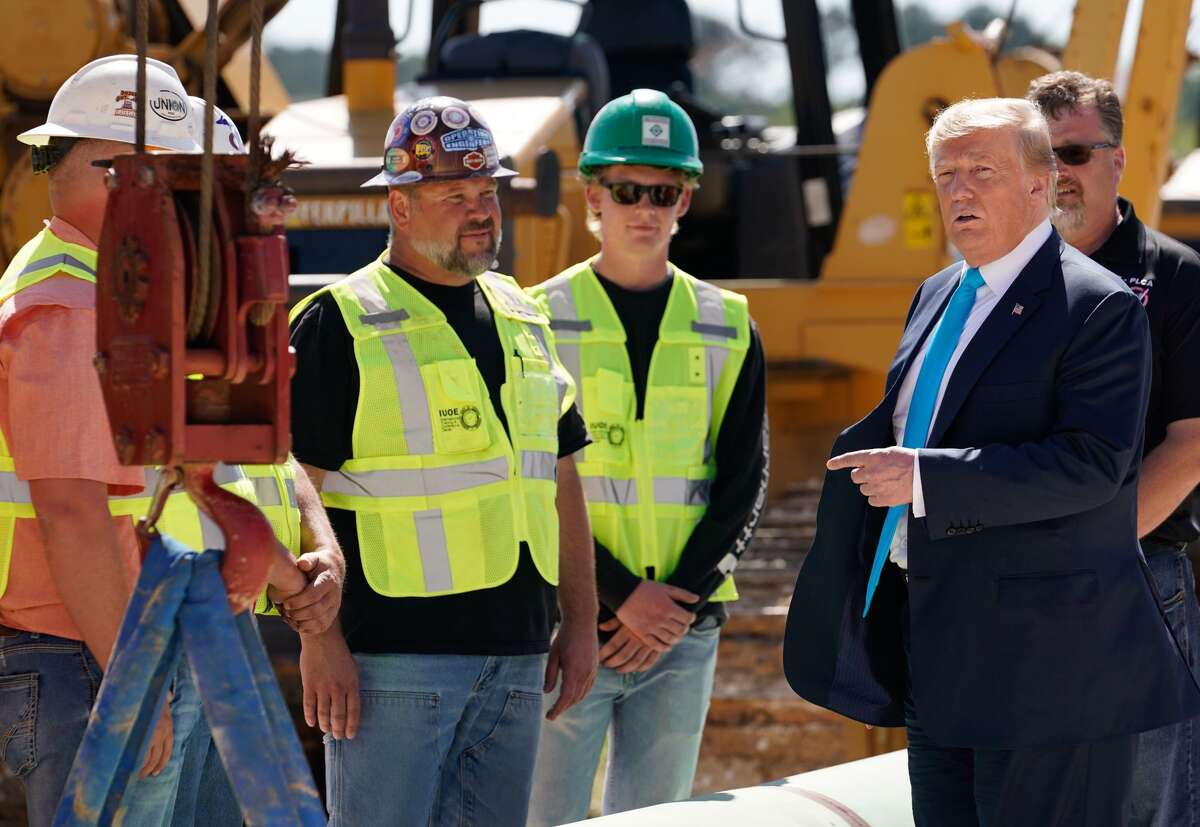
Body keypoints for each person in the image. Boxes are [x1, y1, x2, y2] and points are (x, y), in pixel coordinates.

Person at [781, 97, 1200, 825]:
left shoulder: (1098, 306)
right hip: (941, 660)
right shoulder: (936, 295)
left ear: (1040, 186)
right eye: (947, 175)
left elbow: (1093, 462)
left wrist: (925, 478)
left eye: (982, 170)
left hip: (1047, 675)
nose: (960, 191)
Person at [0, 56, 310, 825]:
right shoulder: (74, 311)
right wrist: (128, 684)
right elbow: (73, 512)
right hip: (85, 651)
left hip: (99, 642)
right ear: (120, 177)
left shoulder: (87, 289)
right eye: (175, 182)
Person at [288, 95, 599, 827]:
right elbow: (292, 484)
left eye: (487, 190)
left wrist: (580, 619)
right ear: (399, 206)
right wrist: (318, 639)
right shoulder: (342, 320)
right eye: (454, 195)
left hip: (518, 656)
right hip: (394, 663)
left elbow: (559, 475)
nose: (481, 209)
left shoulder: (522, 313)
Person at [525, 89, 768, 823]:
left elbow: (745, 479)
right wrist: (619, 597)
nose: (645, 207)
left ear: (686, 198)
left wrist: (670, 604)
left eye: (662, 191)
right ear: (592, 193)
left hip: (680, 633)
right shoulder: (534, 317)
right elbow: (530, 479)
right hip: (571, 626)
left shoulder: (729, 323)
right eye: (627, 189)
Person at [168, 99, 346, 827]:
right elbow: (180, 474)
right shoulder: (145, 304)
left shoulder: (231, 303)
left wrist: (321, 545)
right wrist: (296, 586)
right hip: (163, 621)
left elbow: (274, 450)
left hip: (232, 612)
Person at [1028, 70, 1200, 827]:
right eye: (1039, 156)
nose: (1057, 174)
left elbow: (1192, 445)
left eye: (1073, 152)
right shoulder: (1003, 281)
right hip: (1023, 585)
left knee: (1146, 809)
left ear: (1119, 159)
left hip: (1134, 578)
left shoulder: (1178, 276)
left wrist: (1088, 547)